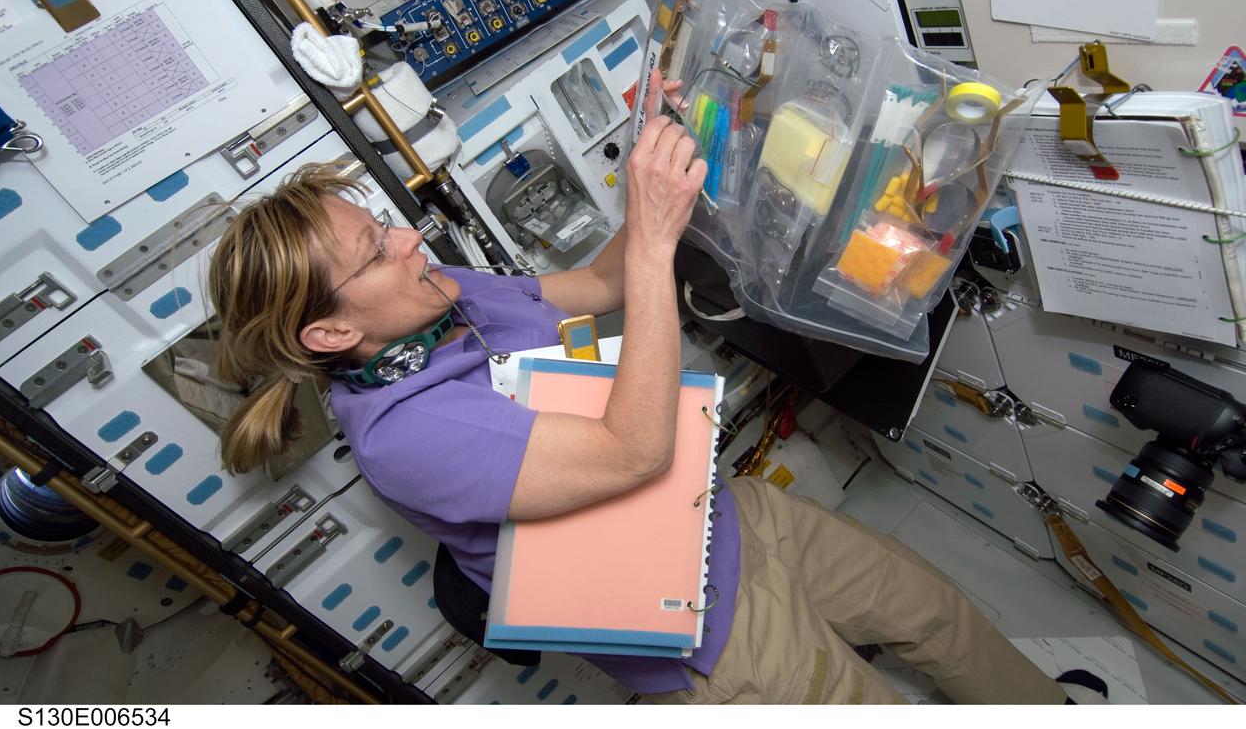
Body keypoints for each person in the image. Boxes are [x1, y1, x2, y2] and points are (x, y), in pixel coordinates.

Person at [208, 70, 1095, 704]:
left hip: (717, 514)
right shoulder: (406, 436)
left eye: (385, 225)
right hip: (701, 629)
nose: (410, 239)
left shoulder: (441, 295)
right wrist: (658, 243)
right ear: (331, 334)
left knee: (934, 614)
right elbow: (632, 450)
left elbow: (600, 285)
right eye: (376, 252)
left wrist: (666, 161)